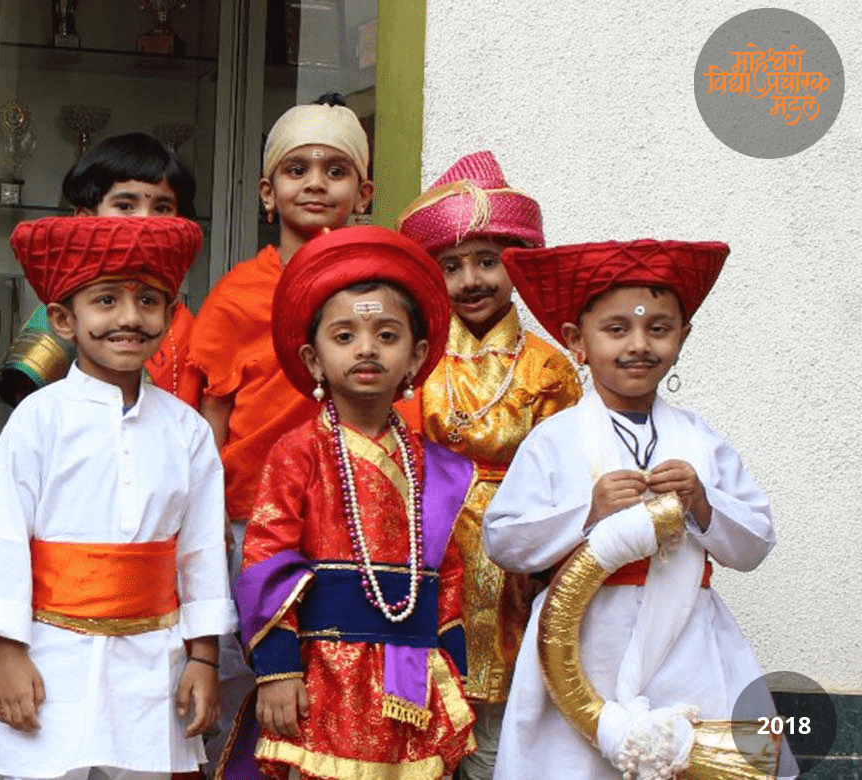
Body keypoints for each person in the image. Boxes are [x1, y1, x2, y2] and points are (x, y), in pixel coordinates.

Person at [485, 240, 783, 779]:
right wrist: (587, 511)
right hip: (581, 640)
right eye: (617, 329)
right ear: (577, 342)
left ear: (683, 338)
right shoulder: (555, 439)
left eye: (660, 329)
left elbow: (757, 541)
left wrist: (703, 504)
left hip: (688, 640)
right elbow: (503, 541)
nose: (639, 345)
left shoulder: (701, 440)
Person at [0, 215, 230, 780]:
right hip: (48, 655)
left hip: (154, 663)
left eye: (149, 301)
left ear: (170, 314)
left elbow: (203, 553)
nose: (130, 318)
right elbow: (4, 540)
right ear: (64, 318)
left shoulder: (188, 431)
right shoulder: (39, 418)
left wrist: (203, 658)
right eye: (106, 300)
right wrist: (7, 656)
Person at [232, 226, 474, 780]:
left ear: (414, 357)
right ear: (313, 359)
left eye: (386, 335)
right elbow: (265, 557)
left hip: (412, 672)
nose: (366, 348)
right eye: (344, 336)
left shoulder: (433, 465)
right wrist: (276, 670)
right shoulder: (297, 453)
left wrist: (451, 671)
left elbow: (448, 576)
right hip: (322, 671)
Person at [393, 150, 579, 779]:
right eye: (451, 266)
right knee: (420, 719)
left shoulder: (549, 368)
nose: (471, 279)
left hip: (517, 562)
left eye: (488, 261)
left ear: (517, 266)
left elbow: (568, 478)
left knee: (502, 730)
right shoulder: (415, 359)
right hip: (429, 548)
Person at [187, 95, 373, 553]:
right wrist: (205, 519)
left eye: (335, 171)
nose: (315, 184)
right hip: (251, 516)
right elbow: (213, 416)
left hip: (355, 511)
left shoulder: (378, 292)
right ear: (267, 192)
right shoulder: (237, 294)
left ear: (363, 194)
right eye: (296, 171)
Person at [0, 132, 207, 408]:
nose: (144, 222)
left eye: (162, 207)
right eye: (126, 206)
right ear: (85, 219)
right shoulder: (69, 310)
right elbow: (24, 395)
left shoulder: (185, 324)